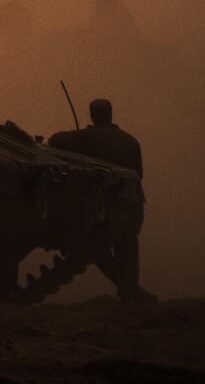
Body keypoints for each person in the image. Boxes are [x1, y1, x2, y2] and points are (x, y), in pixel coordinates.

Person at [49, 97, 155, 302]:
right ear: (111, 113)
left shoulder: (86, 137)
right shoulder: (131, 141)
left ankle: (128, 287)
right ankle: (130, 286)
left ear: (92, 114)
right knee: (128, 245)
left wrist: (81, 134)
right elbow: (139, 172)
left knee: (94, 246)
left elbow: (55, 140)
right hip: (132, 201)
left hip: (106, 203)